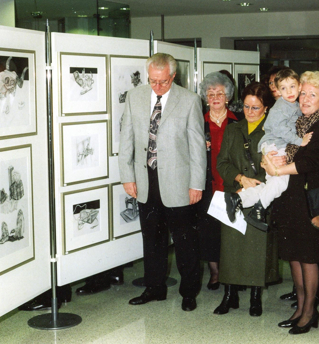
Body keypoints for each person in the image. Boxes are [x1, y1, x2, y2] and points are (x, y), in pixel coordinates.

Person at [118, 53, 206, 312]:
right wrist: (127, 176)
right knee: (152, 240)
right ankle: (154, 288)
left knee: (184, 241)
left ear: (173, 76)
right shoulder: (135, 97)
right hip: (146, 179)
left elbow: (197, 147)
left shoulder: (189, 101)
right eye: (153, 80)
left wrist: (196, 184)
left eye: (163, 81)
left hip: (179, 181)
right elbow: (126, 139)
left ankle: (189, 292)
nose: (157, 86)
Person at [262, 71, 319, 334]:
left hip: (310, 201)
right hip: (290, 198)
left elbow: (310, 162)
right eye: (303, 92)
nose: (305, 98)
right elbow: (279, 148)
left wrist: (278, 170)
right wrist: (270, 160)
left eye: (312, 94)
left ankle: (310, 311)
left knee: (309, 256)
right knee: (293, 254)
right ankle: (300, 306)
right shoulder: (296, 122)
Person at [214, 82, 279, 317]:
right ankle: (229, 295)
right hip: (235, 195)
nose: (250, 112)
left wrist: (256, 181)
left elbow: (276, 167)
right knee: (230, 250)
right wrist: (241, 178)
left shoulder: (273, 133)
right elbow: (222, 162)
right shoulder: (233, 130)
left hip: (260, 197)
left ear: (266, 109)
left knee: (255, 249)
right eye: (247, 107)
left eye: (256, 108)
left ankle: (255, 297)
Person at [224, 69, 311, 230]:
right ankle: (258, 208)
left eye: (292, 86)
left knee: (275, 184)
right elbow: (280, 130)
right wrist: (300, 141)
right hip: (275, 146)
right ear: (277, 90)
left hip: (275, 147)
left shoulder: (292, 106)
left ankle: (241, 199)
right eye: (283, 88)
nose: (289, 91)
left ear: (299, 87)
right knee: (281, 181)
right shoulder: (281, 108)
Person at [197, 72, 238, 291]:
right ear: (205, 97)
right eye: (210, 93)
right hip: (206, 185)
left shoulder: (237, 121)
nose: (215, 97)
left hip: (231, 184)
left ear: (228, 96)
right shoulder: (197, 122)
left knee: (231, 231)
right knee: (209, 231)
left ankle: (233, 272)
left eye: (219, 93)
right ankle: (215, 273)